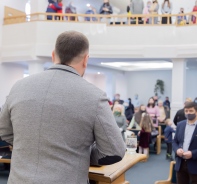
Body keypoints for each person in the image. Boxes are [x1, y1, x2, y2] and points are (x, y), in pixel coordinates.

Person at [0, 31, 126, 184]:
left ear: (53, 55)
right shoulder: (94, 96)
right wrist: (81, 152)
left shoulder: (18, 87)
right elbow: (114, 151)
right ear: (86, 60)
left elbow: (4, 131)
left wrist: (30, 144)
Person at [172, 102, 197, 184]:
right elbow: (175, 141)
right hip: (181, 163)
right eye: (186, 111)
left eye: (191, 111)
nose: (188, 113)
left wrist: (193, 154)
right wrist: (177, 150)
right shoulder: (180, 125)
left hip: (195, 164)